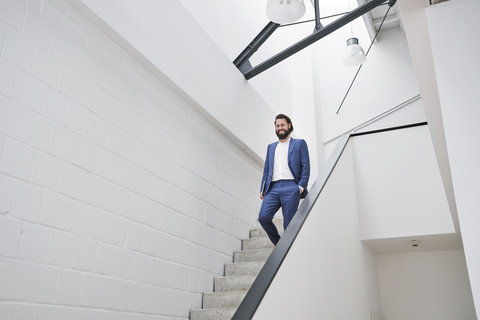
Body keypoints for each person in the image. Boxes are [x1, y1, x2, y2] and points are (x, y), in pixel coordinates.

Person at [258, 114, 310, 245]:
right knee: (263, 218)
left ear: (289, 125)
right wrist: (263, 189)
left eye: (282, 125)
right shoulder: (271, 147)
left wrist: (300, 187)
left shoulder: (299, 143)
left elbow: (306, 167)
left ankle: (287, 250)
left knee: (288, 225)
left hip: (291, 187)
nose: (280, 128)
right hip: (273, 188)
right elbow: (266, 170)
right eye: (277, 126)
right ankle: (279, 244)